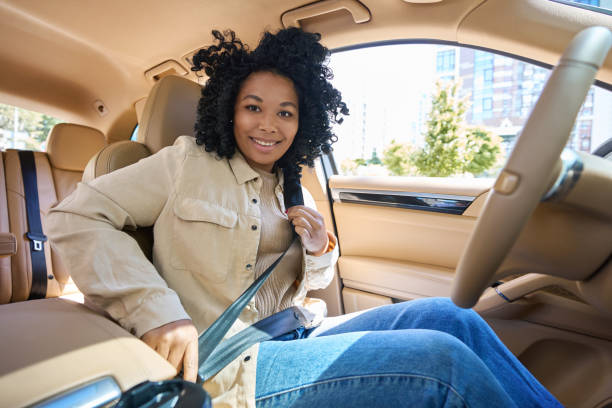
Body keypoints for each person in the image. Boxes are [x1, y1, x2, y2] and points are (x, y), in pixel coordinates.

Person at [46, 28, 562, 408]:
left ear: (304, 120)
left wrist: (318, 250)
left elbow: (312, 282)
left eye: (286, 112)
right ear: (230, 110)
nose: (268, 125)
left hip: (295, 332)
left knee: (454, 318)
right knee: (439, 362)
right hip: (227, 364)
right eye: (254, 107)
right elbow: (75, 216)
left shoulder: (294, 184)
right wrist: (157, 310)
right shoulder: (184, 163)